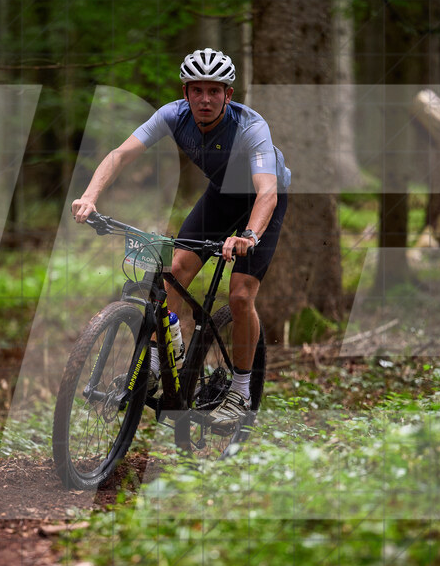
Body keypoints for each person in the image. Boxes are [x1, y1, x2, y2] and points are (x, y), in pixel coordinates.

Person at [71, 48, 290, 424]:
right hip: (223, 195)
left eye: (214, 91)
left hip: (264, 198)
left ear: (229, 95)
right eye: (197, 90)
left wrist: (249, 235)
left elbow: (266, 190)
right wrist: (89, 197)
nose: (205, 99)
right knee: (174, 272)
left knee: (239, 295)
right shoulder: (173, 115)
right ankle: (157, 363)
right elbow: (120, 155)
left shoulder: (250, 127)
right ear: (185, 92)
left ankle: (240, 391)